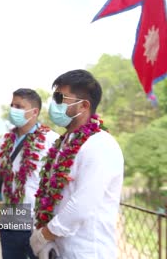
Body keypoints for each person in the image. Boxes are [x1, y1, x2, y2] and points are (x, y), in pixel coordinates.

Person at [30, 69, 124, 259]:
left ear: (83, 106)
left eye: (60, 98)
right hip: (59, 250)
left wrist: (43, 235)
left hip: (86, 252)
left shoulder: (100, 144)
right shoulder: (64, 143)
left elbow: (82, 205)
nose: (53, 104)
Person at [0, 88, 59, 259]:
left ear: (34, 112)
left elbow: (57, 186)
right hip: (8, 225)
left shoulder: (51, 140)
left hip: (35, 227)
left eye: (19, 106)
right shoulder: (6, 140)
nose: (13, 109)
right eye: (12, 105)